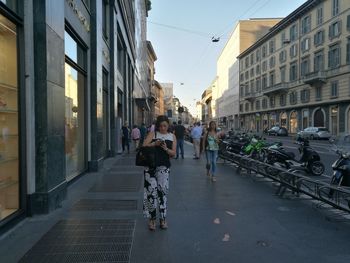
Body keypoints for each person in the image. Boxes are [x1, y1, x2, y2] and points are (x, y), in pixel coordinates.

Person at [142, 115, 177, 231]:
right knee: (150, 194)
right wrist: (154, 144)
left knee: (163, 194)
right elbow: (143, 147)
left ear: (168, 126)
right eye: (160, 126)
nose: (162, 128)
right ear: (157, 126)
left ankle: (163, 219)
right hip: (150, 168)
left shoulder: (172, 136)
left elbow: (173, 154)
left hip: (164, 168)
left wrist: (166, 148)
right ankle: (151, 220)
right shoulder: (153, 134)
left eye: (165, 126)